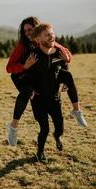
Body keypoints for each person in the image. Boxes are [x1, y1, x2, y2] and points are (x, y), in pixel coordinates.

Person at [6, 17, 87, 146]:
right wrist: (24, 66)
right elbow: (9, 67)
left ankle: (76, 111)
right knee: (27, 92)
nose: (27, 33)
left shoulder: (45, 40)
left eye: (30, 30)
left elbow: (64, 53)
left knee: (66, 74)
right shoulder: (22, 45)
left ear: (37, 31)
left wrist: (68, 59)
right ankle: (13, 127)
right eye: (25, 31)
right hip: (21, 75)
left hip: (41, 75)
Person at [24, 23, 87, 161]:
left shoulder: (59, 53)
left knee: (60, 129)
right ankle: (40, 153)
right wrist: (29, 88)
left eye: (52, 33)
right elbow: (24, 77)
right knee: (44, 129)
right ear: (38, 39)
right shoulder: (33, 56)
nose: (51, 35)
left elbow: (64, 69)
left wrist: (65, 81)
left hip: (55, 99)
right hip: (38, 100)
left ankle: (58, 136)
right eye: (47, 34)